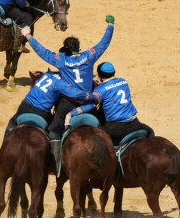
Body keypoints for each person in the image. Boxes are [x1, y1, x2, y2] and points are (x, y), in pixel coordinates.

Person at [20, 15, 115, 158]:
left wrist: (28, 35)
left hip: (68, 104)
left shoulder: (60, 60)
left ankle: (57, 163)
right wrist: (110, 25)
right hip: (88, 103)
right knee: (105, 125)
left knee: (53, 130)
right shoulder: (89, 56)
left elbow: (42, 51)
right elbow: (104, 43)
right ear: (79, 48)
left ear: (66, 49)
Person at [3, 70, 96, 170]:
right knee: (53, 130)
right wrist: (92, 97)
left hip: (24, 105)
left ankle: (4, 152)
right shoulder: (61, 83)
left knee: (12, 122)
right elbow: (76, 94)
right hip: (41, 112)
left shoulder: (47, 75)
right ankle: (54, 163)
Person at [67, 62, 154, 146]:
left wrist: (72, 113)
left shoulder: (100, 90)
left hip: (116, 128)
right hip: (134, 123)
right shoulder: (123, 81)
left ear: (100, 75)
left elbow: (90, 105)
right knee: (150, 132)